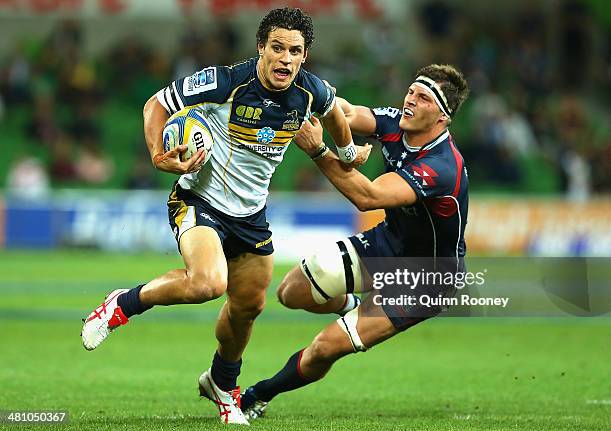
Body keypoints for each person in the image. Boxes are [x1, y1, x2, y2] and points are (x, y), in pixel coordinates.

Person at [80, 7, 369, 425]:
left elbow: (336, 116)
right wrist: (159, 156)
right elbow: (155, 105)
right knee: (207, 283)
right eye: (277, 48)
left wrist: (346, 153)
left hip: (251, 216)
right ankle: (120, 304)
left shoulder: (312, 91)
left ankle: (222, 383)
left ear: (304, 56)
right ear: (260, 48)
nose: (285, 59)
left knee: (248, 306)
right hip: (200, 202)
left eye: (295, 51)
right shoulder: (226, 82)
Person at [239, 64, 470, 419]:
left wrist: (319, 151)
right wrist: (307, 89)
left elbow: (369, 197)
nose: (410, 99)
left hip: (425, 277)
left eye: (423, 97)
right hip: (388, 244)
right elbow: (345, 112)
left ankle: (258, 394)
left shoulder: (442, 166)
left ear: (442, 117)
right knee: (291, 292)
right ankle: (350, 306)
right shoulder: (396, 122)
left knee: (324, 348)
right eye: (411, 90)